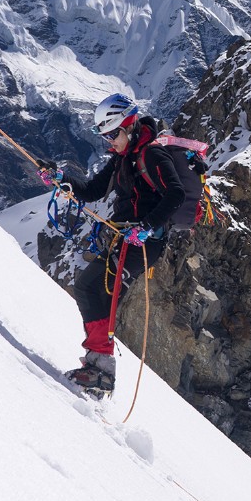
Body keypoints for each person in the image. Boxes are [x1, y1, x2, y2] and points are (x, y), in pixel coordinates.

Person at [55, 92, 192, 396]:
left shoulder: (152, 154)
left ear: (129, 125)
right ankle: (98, 367)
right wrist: (61, 179)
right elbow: (92, 190)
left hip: (144, 243)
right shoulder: (124, 157)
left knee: (93, 288)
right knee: (93, 289)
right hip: (127, 237)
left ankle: (101, 370)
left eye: (113, 134)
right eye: (105, 136)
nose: (109, 142)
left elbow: (176, 194)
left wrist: (146, 227)